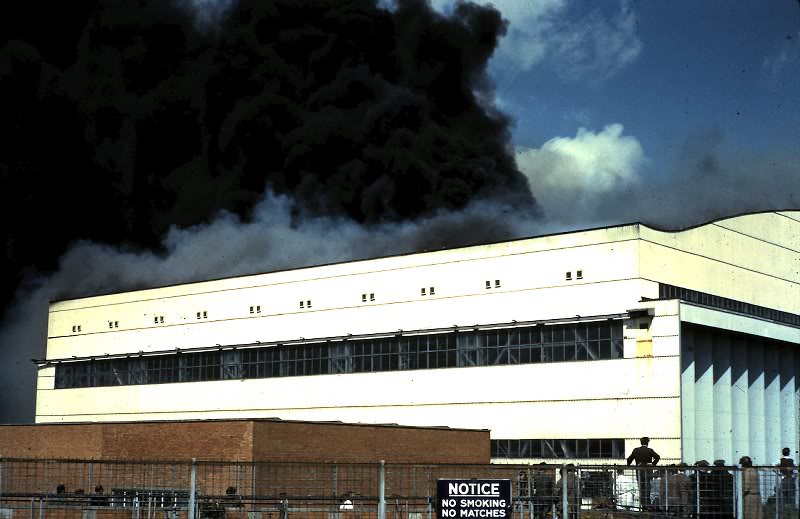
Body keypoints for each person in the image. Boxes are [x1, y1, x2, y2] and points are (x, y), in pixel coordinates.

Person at [626, 437, 660, 510]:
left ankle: (643, 505)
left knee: (641, 489)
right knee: (648, 489)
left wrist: (628, 466)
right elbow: (657, 457)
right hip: (648, 472)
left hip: (639, 472)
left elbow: (629, 459)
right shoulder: (649, 451)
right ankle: (647, 505)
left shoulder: (636, 450)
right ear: (647, 443)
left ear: (640, 442)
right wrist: (652, 464)